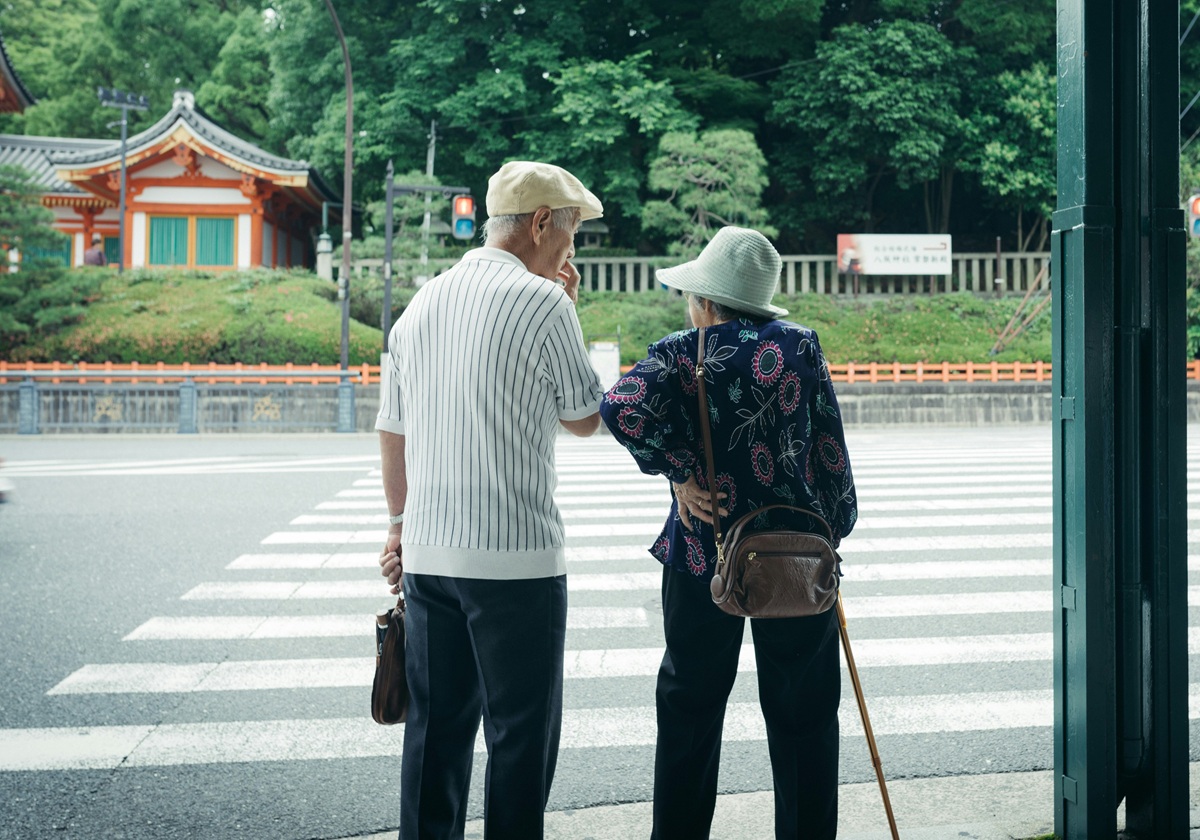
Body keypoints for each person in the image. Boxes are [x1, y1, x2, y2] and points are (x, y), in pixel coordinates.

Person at [599, 226, 858, 840]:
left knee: (691, 707)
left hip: (703, 549)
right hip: (796, 555)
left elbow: (620, 408)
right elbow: (830, 450)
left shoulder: (682, 351)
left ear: (708, 301)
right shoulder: (800, 347)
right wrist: (836, 530)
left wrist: (681, 472)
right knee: (805, 719)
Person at [376, 160, 605, 839]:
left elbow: (393, 428)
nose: (569, 256)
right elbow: (584, 417)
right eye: (568, 240)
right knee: (519, 741)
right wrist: (569, 307)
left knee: (435, 735)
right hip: (516, 564)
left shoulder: (422, 302)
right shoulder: (544, 303)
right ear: (539, 225)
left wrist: (397, 527)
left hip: (428, 556)